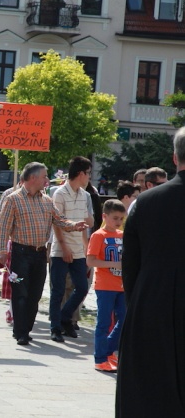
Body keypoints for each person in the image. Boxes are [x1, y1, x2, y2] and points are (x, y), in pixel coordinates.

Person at [116, 127, 185, 416]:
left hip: (152, 304)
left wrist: (138, 304)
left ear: (174, 158)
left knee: (149, 394)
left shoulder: (144, 202)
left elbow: (130, 265)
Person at [0, 162, 87, 345]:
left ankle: (26, 329)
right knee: (20, 291)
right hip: (20, 253)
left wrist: (74, 225)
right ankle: (20, 331)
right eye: (44, 176)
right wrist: (2, 251)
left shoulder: (46, 200)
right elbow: (3, 228)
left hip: (39, 254)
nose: (47, 180)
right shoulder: (13, 199)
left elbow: (59, 220)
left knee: (35, 294)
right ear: (33, 178)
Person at [48, 156, 94, 342]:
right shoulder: (59, 193)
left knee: (82, 288)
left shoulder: (84, 194)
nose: (89, 177)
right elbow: (56, 223)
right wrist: (64, 248)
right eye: (88, 173)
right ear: (81, 173)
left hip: (78, 251)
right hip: (61, 250)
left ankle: (65, 317)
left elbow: (85, 224)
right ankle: (55, 327)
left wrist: (86, 249)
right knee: (58, 290)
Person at [86, 199, 125, 373]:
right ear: (105, 216)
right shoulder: (98, 235)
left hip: (123, 286)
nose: (118, 222)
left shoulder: (122, 235)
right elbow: (91, 260)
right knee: (103, 322)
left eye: (121, 219)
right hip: (105, 286)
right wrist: (113, 264)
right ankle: (100, 358)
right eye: (115, 218)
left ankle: (108, 351)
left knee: (124, 320)